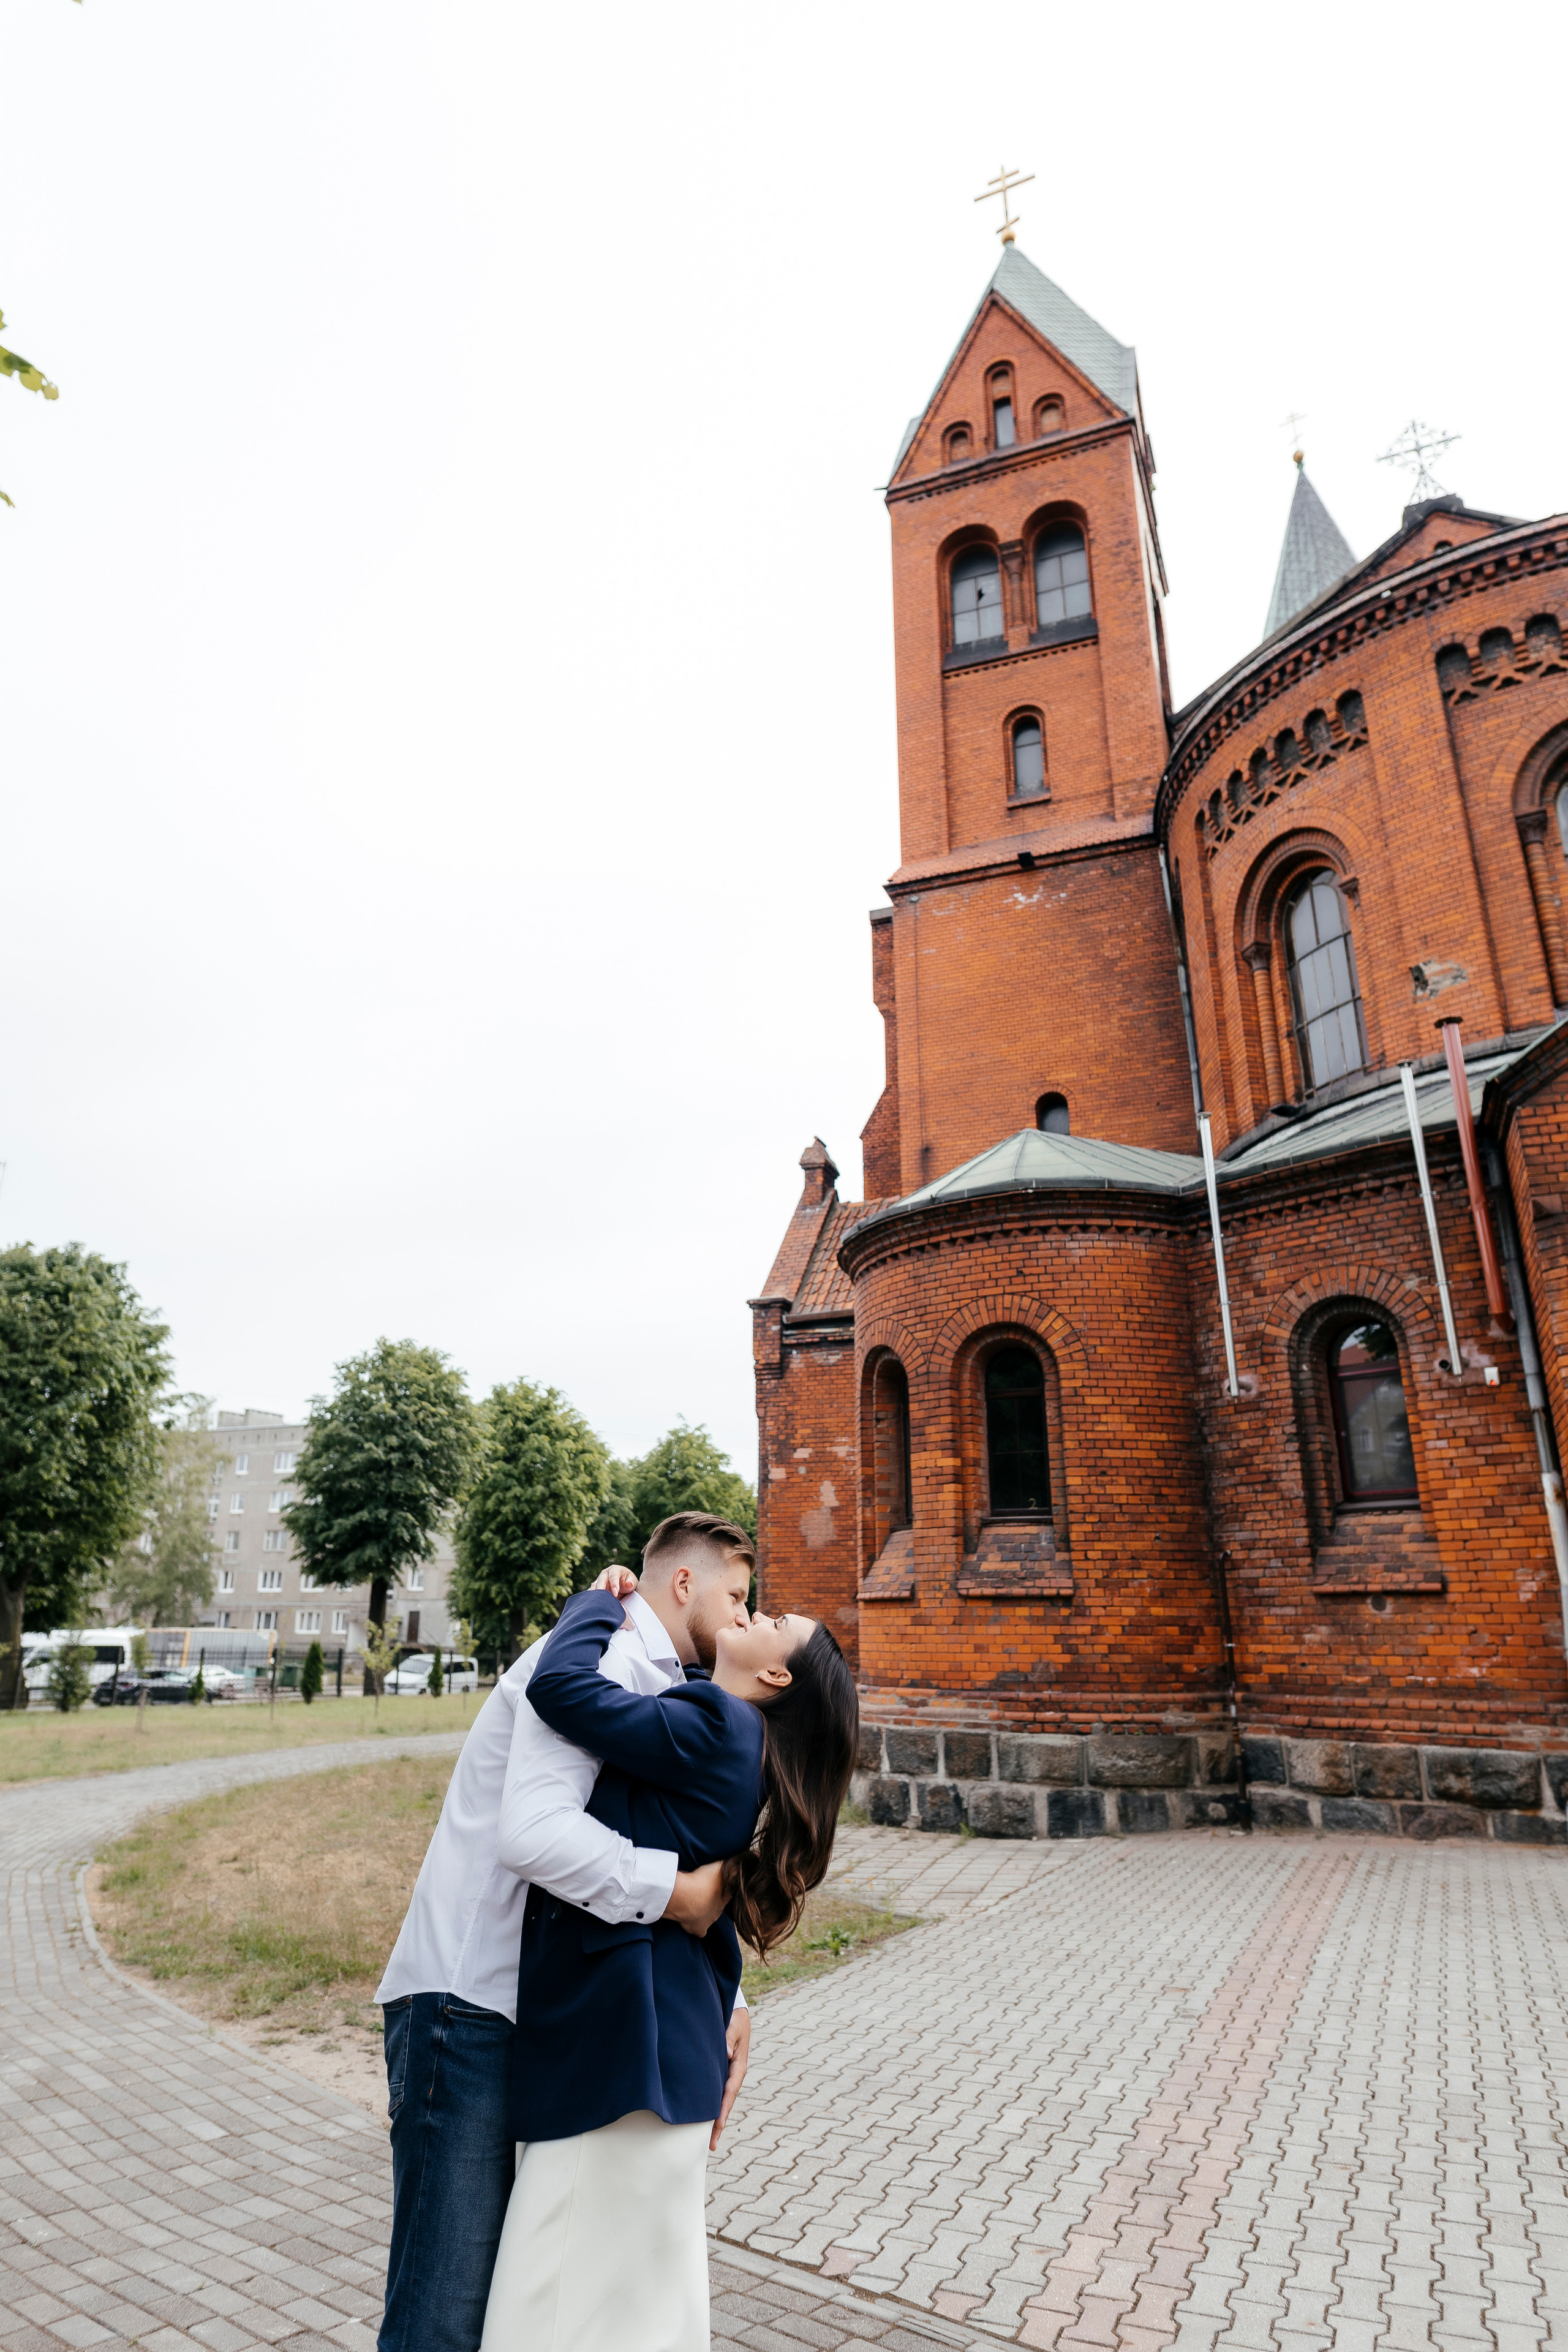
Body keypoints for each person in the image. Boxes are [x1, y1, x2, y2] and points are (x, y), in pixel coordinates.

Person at [375, 1513, 758, 2352]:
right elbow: (535, 1834)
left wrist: (728, 1993)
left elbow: (665, 1837)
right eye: (736, 1597)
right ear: (683, 1583)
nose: (740, 1619)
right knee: (445, 2314)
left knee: (508, 2301)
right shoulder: (612, 1655)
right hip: (466, 2002)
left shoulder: (662, 1684)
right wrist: (677, 1895)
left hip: (538, 2012)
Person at [478, 1583, 859, 2352]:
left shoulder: (718, 1723)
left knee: (543, 2315)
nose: (756, 1612)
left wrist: (594, 1603)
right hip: (663, 2063)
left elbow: (562, 1690)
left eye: (773, 1621)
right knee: (649, 2319)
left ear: (778, 1677)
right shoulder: (728, 1733)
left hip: (621, 2063)